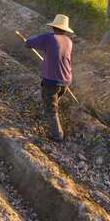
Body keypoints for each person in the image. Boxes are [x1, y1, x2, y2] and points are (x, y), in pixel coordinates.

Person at [25, 14, 73, 143]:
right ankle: (47, 114)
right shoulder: (68, 41)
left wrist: (27, 42)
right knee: (50, 98)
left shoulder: (48, 38)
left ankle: (57, 135)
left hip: (52, 81)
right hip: (66, 80)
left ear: (53, 27)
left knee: (52, 108)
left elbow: (29, 43)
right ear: (64, 30)